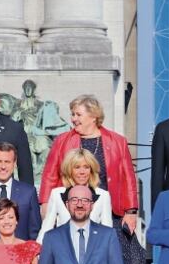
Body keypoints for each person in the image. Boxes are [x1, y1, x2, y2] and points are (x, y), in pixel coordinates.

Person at [39, 94, 139, 233]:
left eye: (78, 114)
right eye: (72, 114)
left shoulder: (117, 141)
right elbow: (50, 174)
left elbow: (128, 178)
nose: (73, 119)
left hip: (110, 213)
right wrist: (45, 204)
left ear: (93, 116)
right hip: (73, 211)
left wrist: (131, 211)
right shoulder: (62, 141)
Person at [37, 148, 113, 241]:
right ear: (69, 170)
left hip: (92, 252)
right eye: (77, 167)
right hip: (63, 251)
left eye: (86, 167)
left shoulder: (103, 196)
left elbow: (108, 232)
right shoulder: (56, 194)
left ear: (91, 170)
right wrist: (37, 252)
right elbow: (46, 227)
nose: (82, 172)